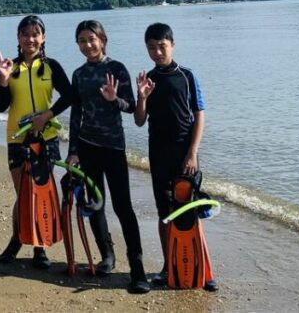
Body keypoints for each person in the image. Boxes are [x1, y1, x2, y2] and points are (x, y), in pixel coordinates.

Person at [66, 19, 150, 294]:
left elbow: (132, 107)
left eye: (92, 39)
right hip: (87, 146)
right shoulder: (78, 75)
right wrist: (73, 152)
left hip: (113, 147)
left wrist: (115, 99)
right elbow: (76, 114)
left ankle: (137, 268)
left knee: (123, 206)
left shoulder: (116, 69)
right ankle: (107, 256)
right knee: (94, 203)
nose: (88, 45)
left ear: (103, 40)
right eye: (82, 41)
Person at [133, 22, 217, 291]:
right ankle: (169, 266)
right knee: (165, 213)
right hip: (158, 154)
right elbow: (139, 120)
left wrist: (192, 153)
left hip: (185, 153)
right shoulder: (148, 80)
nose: (157, 52)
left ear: (172, 45)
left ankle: (203, 269)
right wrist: (142, 97)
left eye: (162, 46)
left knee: (191, 211)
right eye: (151, 47)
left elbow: (200, 115)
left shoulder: (187, 76)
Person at [0, 14, 72, 269]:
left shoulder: (51, 67)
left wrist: (47, 116)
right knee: (22, 193)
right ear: (18, 38)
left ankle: (40, 246)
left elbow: (69, 96)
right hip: (17, 138)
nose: (30, 39)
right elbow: (0, 106)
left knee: (42, 193)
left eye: (35, 34)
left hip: (46, 138)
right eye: (25, 34)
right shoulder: (9, 66)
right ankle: (16, 240)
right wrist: (3, 79)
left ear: (43, 37)